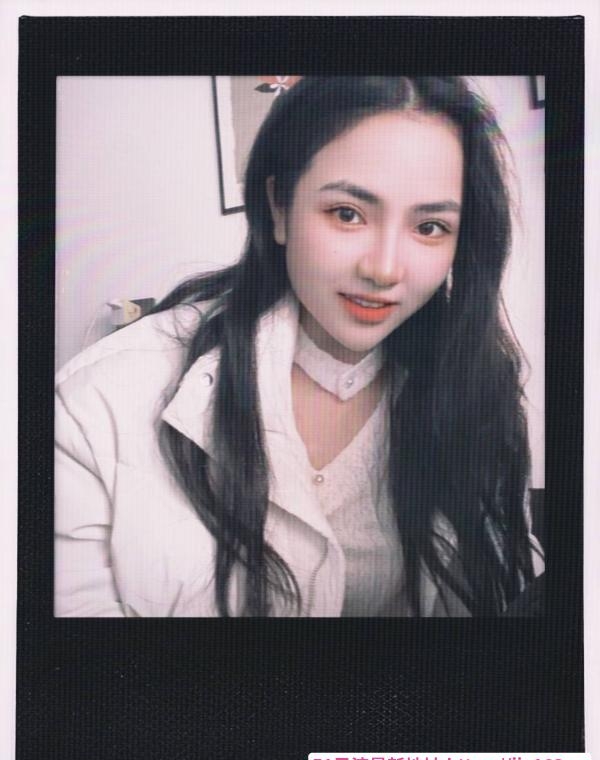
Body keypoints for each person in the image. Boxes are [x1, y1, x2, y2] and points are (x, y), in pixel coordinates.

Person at [55, 76, 544, 618]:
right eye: (347, 214)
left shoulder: (476, 391)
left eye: (430, 227)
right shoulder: (99, 402)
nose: (384, 269)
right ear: (280, 207)